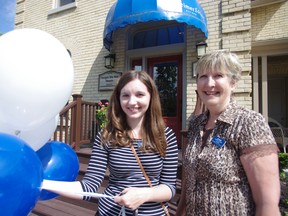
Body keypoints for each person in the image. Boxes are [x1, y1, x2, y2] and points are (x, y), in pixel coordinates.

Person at [42, 70, 179, 216]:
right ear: (118, 99)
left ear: (151, 97)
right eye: (125, 95)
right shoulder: (107, 136)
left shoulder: (166, 136)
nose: (132, 102)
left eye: (140, 94)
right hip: (111, 212)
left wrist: (144, 194)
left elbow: (169, 187)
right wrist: (42, 183)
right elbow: (89, 186)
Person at [176, 50, 281, 216]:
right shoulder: (196, 124)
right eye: (202, 76)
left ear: (233, 83)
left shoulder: (249, 123)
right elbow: (188, 184)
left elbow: (266, 203)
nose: (209, 83)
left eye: (218, 75)